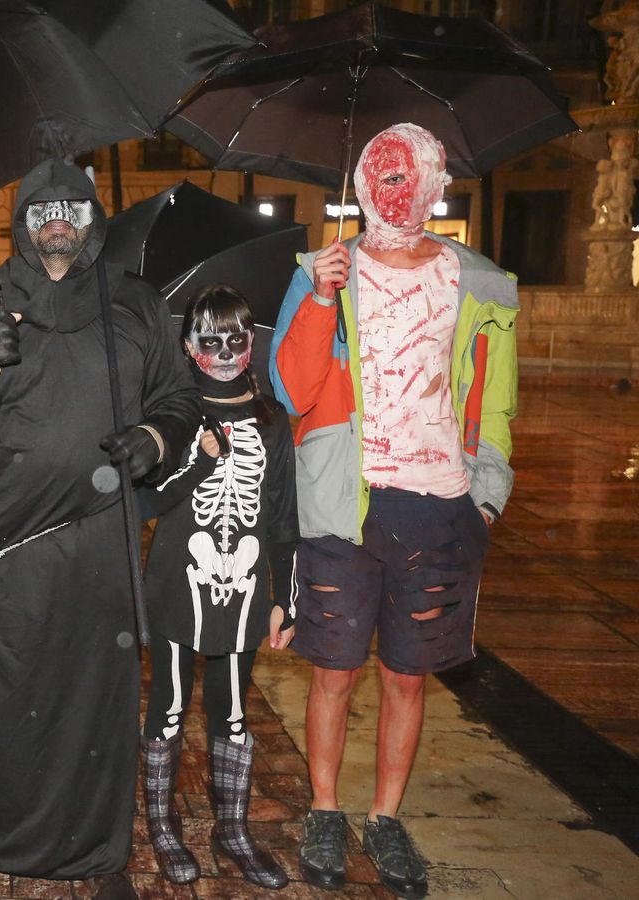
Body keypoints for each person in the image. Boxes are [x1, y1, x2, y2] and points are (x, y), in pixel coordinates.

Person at [0, 159, 201, 900]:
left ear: (91, 219)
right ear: (21, 219)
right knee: (2, 700)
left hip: (98, 538)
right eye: (43, 207)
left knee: (98, 698)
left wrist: (153, 437)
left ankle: (98, 854)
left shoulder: (135, 303)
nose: (58, 218)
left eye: (72, 208)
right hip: (6, 542)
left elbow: (179, 397)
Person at [269, 123, 518, 900]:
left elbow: (496, 403)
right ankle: (323, 809)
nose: (392, 185)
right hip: (345, 506)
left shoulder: (480, 283)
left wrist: (484, 501)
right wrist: (318, 296)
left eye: (406, 171)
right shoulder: (322, 269)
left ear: (436, 181)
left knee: (407, 679)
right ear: (360, 181)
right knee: (334, 673)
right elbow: (291, 390)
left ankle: (384, 817)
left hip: (440, 508)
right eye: (379, 170)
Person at [137, 285, 297, 890]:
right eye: (212, 338)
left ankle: (233, 830)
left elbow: (283, 513)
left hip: (247, 586)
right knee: (170, 708)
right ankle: (163, 827)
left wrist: (289, 597)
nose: (227, 349)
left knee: (232, 714)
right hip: (181, 583)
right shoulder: (174, 413)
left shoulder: (271, 417)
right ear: (189, 346)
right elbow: (145, 500)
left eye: (237, 337)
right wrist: (199, 464)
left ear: (251, 341)